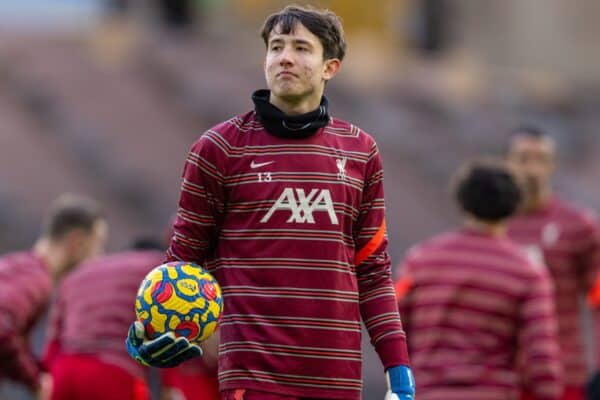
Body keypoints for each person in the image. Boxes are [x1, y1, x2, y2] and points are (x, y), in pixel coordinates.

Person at [126, 5, 414, 400]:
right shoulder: (219, 148)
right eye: (276, 47)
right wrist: (148, 328)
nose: (285, 57)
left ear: (330, 67)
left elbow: (373, 271)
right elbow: (182, 261)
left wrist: (398, 369)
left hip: (337, 377)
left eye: (301, 47)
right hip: (253, 376)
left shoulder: (362, 152)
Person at [395, 159, 563, 400]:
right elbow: (541, 359)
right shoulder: (527, 272)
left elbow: (394, 333)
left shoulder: (419, 261)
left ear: (462, 201)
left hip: (428, 392)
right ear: (514, 205)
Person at [505, 127, 600, 400]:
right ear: (507, 164)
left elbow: (598, 300)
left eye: (541, 159)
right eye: (523, 159)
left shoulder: (578, 226)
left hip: (564, 373)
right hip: (501, 375)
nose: (533, 169)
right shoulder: (491, 227)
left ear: (553, 165)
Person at [0, 194, 107, 398]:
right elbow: (2, 326)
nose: (99, 256)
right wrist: (35, 382)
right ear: (76, 241)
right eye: (97, 243)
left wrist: (38, 371)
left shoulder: (14, 264)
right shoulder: (36, 280)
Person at [42, 237, 164, 400]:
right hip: (114, 372)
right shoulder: (160, 267)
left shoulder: (82, 271)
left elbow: (54, 338)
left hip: (65, 370)